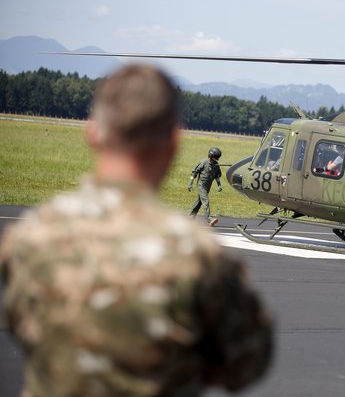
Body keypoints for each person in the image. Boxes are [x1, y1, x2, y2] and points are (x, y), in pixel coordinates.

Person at [0, 64, 273, 396]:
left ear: (93, 132)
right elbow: (248, 361)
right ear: (172, 143)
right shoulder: (195, 255)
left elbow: (20, 327)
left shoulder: (30, 238)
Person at [188, 147, 223, 226]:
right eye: (215, 157)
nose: (216, 159)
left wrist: (219, 185)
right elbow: (195, 172)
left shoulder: (216, 165)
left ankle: (191, 216)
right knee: (205, 201)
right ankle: (209, 219)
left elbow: (217, 176)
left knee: (199, 202)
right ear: (211, 155)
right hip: (201, 185)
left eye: (217, 158)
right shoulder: (204, 162)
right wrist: (190, 183)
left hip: (208, 187)